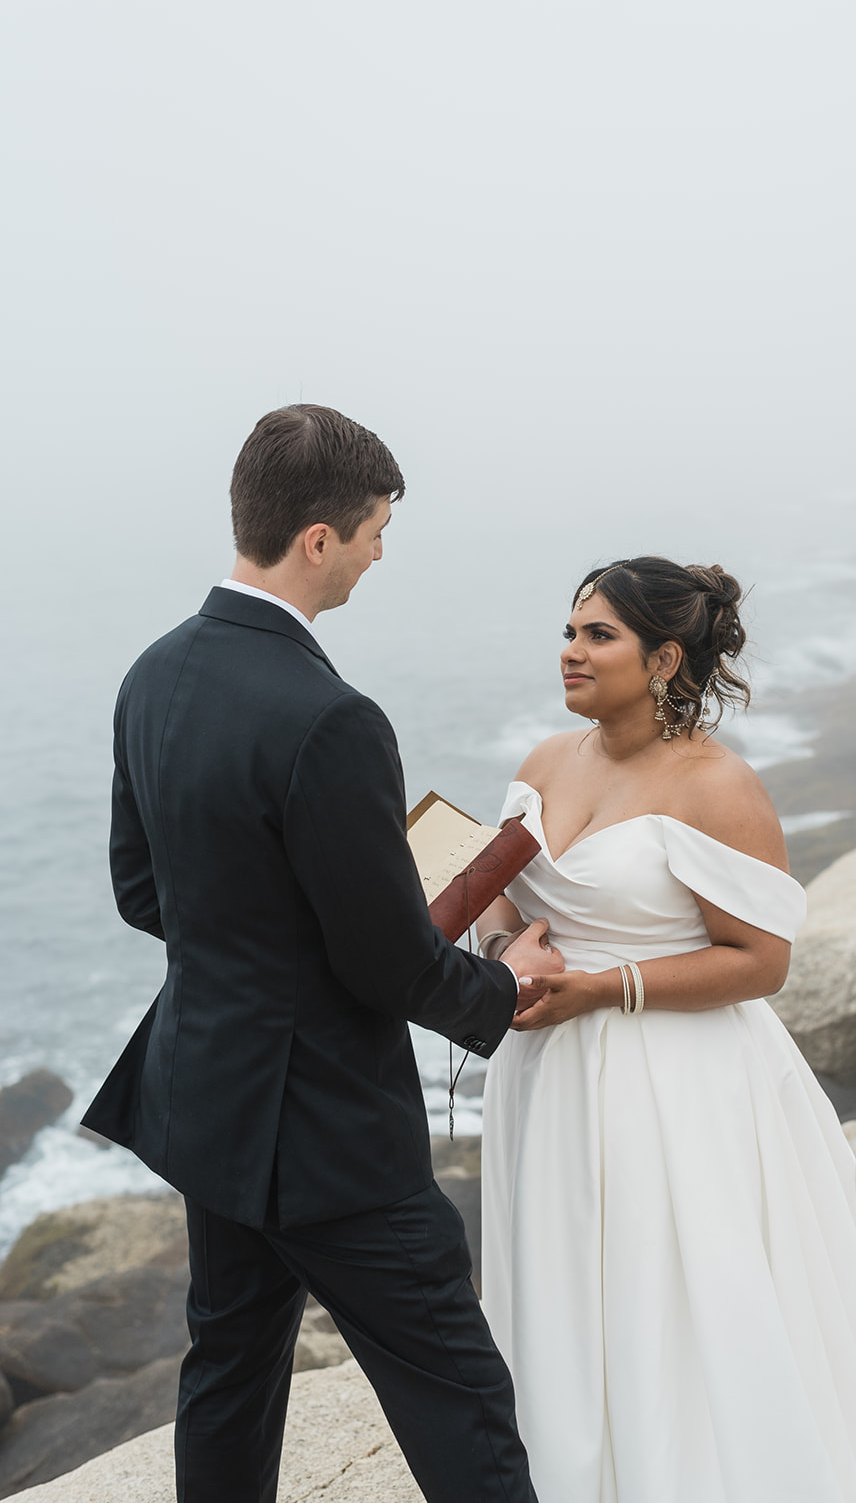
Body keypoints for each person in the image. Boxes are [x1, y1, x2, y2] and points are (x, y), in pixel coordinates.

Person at [474, 556, 856, 1503]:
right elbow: (496, 908)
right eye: (569, 631)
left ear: (663, 659)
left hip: (673, 1086)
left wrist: (604, 989)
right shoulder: (538, 765)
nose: (570, 652)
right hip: (548, 1080)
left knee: (677, 1300)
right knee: (567, 1294)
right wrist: (498, 959)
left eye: (597, 635)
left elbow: (762, 961)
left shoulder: (716, 787)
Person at [83, 404, 559, 1503]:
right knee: (459, 1393)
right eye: (377, 528)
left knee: (229, 1377)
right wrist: (504, 985)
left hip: (209, 1100)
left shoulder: (152, 674)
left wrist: (277, 941)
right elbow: (388, 965)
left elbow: (141, 890)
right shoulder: (330, 716)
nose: (382, 550)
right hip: (329, 1127)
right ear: (319, 540)